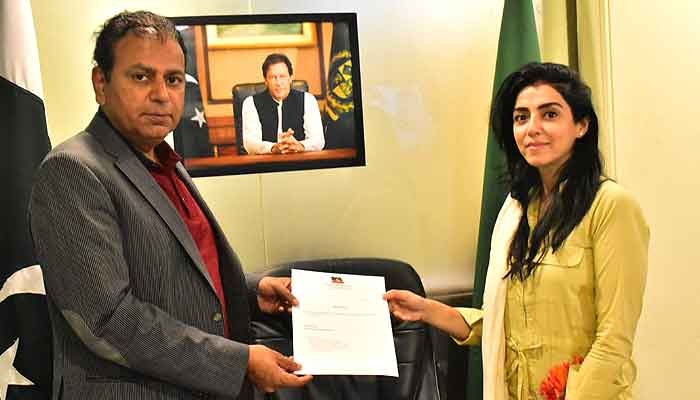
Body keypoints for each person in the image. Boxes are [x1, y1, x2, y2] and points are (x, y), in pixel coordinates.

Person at [28, 11, 312, 400]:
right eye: (141, 76)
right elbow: (109, 319)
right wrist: (238, 362)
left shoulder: (164, 160)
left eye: (174, 79)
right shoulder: (73, 170)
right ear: (101, 83)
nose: (162, 94)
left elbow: (173, 274)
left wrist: (252, 291)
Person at [385, 62, 649, 400]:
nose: (532, 128)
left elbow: (614, 341)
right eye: (521, 117)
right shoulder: (517, 210)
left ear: (581, 125)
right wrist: (426, 310)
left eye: (549, 114)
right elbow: (503, 327)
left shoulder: (612, 206)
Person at [242, 53, 324, 155]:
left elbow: (318, 140)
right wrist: (273, 148)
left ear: (290, 78)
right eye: (273, 77)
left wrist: (300, 145)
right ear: (266, 80)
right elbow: (250, 144)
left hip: (301, 161)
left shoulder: (308, 100)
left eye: (282, 76)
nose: (278, 82)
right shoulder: (251, 103)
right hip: (266, 162)